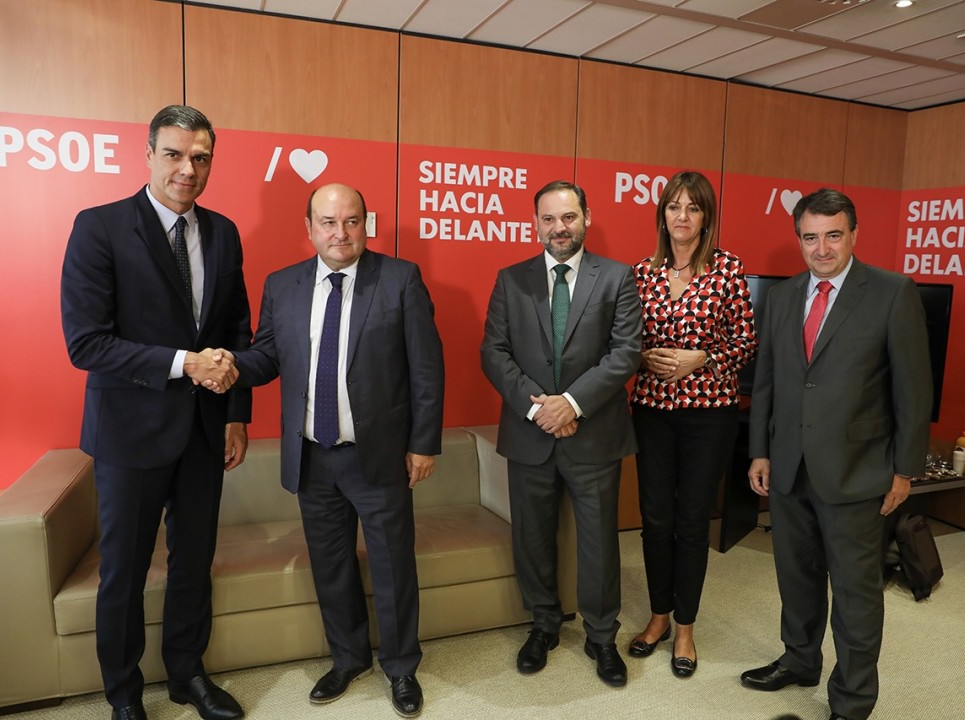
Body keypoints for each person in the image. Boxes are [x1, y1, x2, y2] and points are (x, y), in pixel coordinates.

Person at [60, 105, 252, 720]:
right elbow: (86, 343)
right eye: (173, 154)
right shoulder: (100, 227)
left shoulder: (223, 232)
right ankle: (124, 696)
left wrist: (236, 414)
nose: (187, 169)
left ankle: (187, 675)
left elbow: (237, 331)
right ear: (147, 155)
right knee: (124, 572)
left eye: (200, 157)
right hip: (129, 432)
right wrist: (184, 363)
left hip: (204, 430)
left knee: (194, 563)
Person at [228, 183, 444, 718]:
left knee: (393, 565)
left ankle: (401, 667)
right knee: (331, 565)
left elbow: (426, 368)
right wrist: (227, 366)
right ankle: (348, 658)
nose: (340, 233)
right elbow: (265, 357)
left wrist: (423, 444)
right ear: (309, 228)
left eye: (351, 221)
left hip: (379, 455)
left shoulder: (400, 279)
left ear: (366, 225)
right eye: (328, 222)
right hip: (313, 456)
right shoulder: (282, 285)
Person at [743, 188, 932, 720]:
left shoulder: (892, 292)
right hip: (788, 467)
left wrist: (904, 470)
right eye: (810, 237)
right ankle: (799, 660)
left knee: (855, 593)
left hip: (857, 470)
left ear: (853, 234)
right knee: (796, 578)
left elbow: (913, 391)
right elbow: (767, 381)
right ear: (799, 239)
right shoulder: (783, 296)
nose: (821, 248)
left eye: (833, 235)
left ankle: (851, 701)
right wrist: (760, 451)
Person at [480, 180, 642, 687]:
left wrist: (570, 404)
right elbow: (494, 353)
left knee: (599, 542)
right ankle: (543, 625)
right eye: (548, 219)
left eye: (568, 217)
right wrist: (541, 411)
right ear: (536, 224)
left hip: (594, 434)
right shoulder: (511, 279)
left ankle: (601, 636)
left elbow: (625, 353)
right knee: (531, 538)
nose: (559, 228)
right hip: (530, 433)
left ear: (586, 217)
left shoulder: (617, 277)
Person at [627, 171, 757, 678]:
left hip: (710, 414)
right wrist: (644, 357)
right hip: (652, 411)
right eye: (674, 207)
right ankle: (659, 616)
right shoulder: (641, 273)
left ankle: (685, 627)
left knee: (691, 521)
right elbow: (622, 342)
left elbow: (745, 342)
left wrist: (701, 358)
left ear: (706, 217)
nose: (682, 216)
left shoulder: (728, 269)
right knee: (656, 518)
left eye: (693, 207)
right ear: (662, 215)